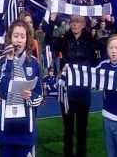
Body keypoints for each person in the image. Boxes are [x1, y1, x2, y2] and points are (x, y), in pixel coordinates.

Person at [45, 14, 95, 157]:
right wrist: (52, 20)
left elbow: (100, 51)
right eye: (72, 21)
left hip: (83, 90)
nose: (75, 24)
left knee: (82, 130)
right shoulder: (64, 39)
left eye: (78, 21)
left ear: (83, 24)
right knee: (68, 130)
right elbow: (49, 39)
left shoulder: (90, 39)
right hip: (67, 90)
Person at [0, 20, 43, 157]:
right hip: (7, 130)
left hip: (26, 130)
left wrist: (31, 97)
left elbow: (40, 94)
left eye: (22, 36)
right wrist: (9, 62)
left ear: (27, 39)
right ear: (10, 38)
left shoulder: (34, 63)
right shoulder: (3, 61)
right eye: (16, 36)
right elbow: (0, 91)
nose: (19, 40)